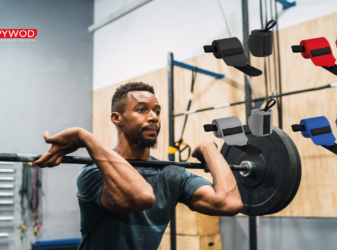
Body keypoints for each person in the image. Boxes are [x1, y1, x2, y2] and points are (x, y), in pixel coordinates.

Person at [33, 82, 243, 250]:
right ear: (117, 118)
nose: (153, 117)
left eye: (157, 111)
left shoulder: (170, 173)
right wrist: (84, 137)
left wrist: (210, 150)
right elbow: (140, 197)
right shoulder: (93, 173)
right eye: (142, 110)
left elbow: (229, 203)